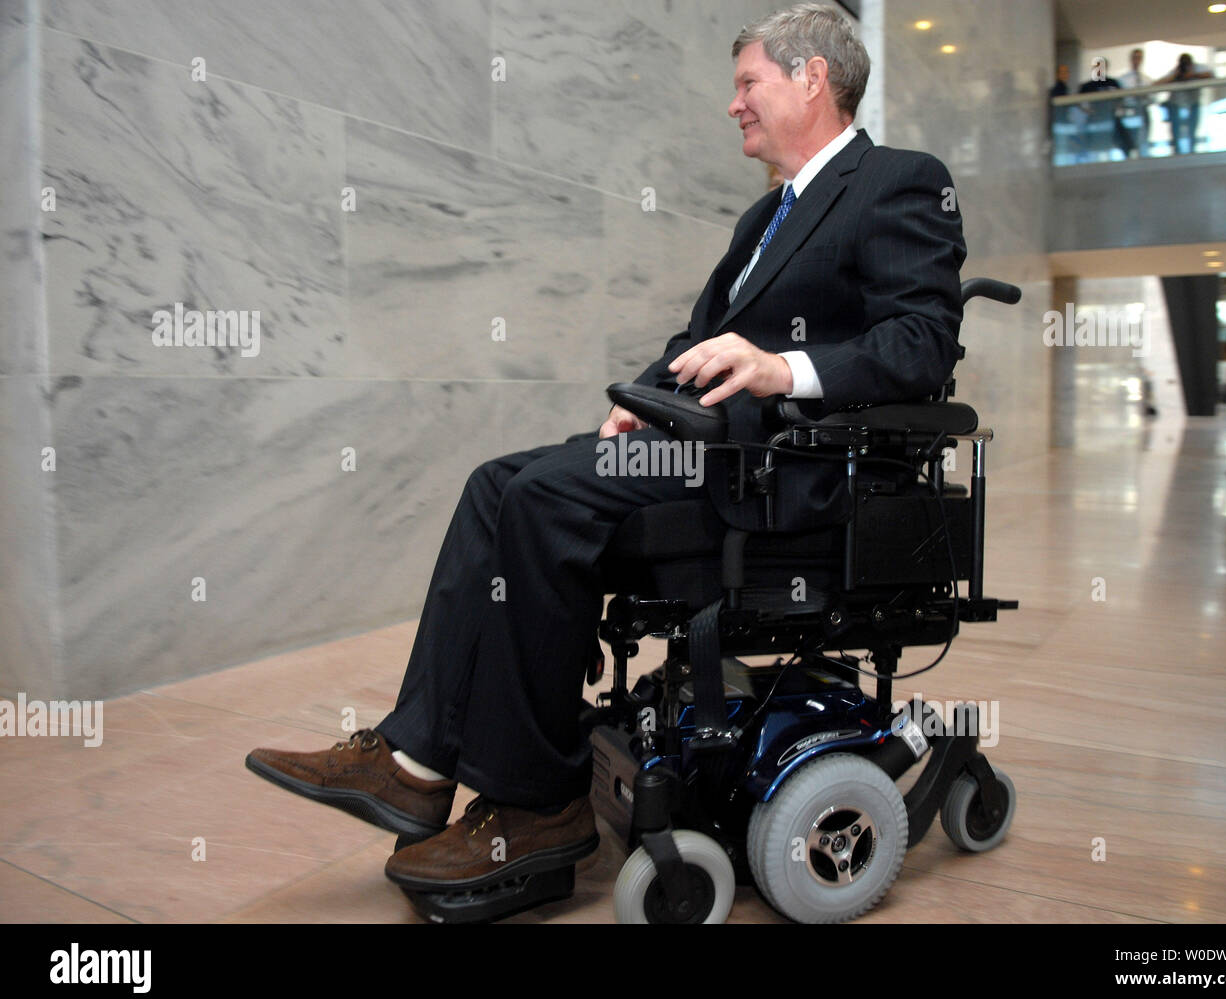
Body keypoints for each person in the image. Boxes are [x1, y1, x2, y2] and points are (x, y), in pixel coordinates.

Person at [245, 3, 966, 894]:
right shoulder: (763, 220)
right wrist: (644, 398)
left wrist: (782, 368)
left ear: (812, 77)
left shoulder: (898, 181)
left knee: (545, 497)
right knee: (495, 483)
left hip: (787, 476)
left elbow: (922, 344)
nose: (732, 104)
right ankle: (416, 762)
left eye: (748, 82)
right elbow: (700, 338)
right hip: (701, 447)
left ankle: (537, 809)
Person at [1156, 53, 1213, 154]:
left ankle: (1192, 150)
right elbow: (1158, 84)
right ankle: (1177, 151)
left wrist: (1194, 75)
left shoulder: (1198, 69)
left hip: (1193, 103)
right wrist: (1175, 77)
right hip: (1176, 104)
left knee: (1192, 129)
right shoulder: (1175, 72)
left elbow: (1211, 75)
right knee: (1176, 131)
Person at [1116, 48, 1152, 158]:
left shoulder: (1146, 79)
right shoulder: (1123, 79)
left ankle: (1143, 157)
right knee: (1130, 138)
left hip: (1143, 110)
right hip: (1129, 110)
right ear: (1131, 59)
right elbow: (1119, 97)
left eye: (1139, 58)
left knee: (1143, 138)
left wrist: (1145, 96)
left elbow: (1152, 98)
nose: (1137, 60)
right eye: (1135, 58)